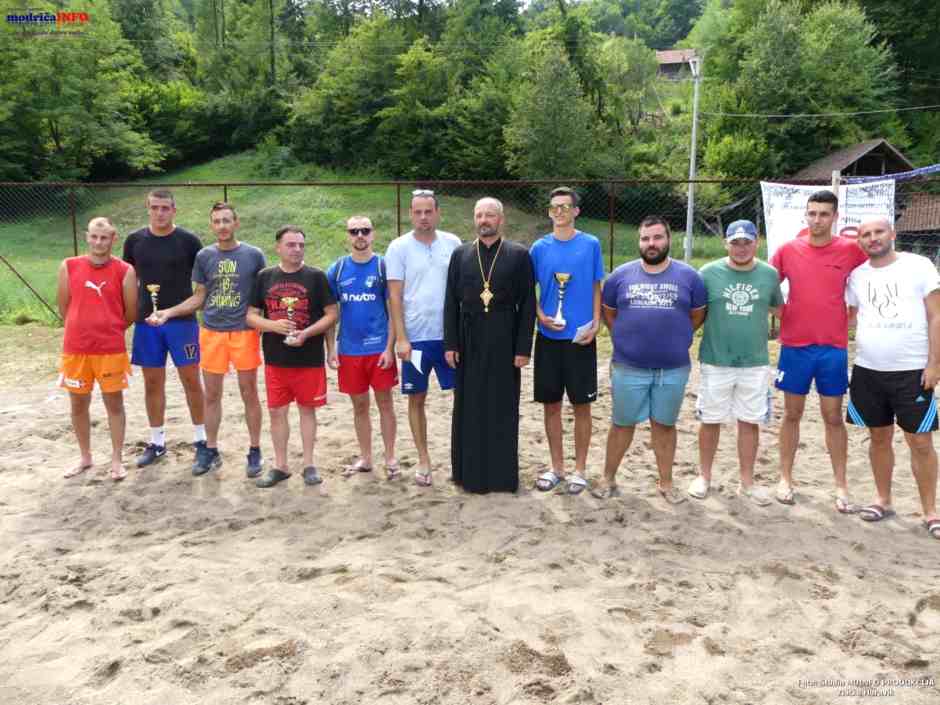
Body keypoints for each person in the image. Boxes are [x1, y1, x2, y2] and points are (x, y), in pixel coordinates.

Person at [149, 202, 267, 477]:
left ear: (236, 223)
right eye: (217, 221)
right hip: (212, 332)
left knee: (249, 392)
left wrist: (265, 323)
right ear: (212, 225)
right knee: (211, 394)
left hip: (243, 331)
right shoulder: (205, 256)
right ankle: (210, 449)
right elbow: (200, 297)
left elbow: (263, 294)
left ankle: (254, 450)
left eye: (227, 220)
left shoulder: (254, 255)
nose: (222, 226)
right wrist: (168, 312)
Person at [596, 216, 706, 503]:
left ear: (668, 239)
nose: (651, 243)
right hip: (628, 366)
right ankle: (608, 478)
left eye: (657, 237)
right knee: (622, 424)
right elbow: (609, 314)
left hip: (672, 368)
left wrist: (674, 336)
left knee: (664, 425)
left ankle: (666, 483)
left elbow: (697, 316)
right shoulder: (620, 276)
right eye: (645, 238)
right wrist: (628, 338)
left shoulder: (689, 277)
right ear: (639, 242)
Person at [771, 190, 867, 510]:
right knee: (791, 414)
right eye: (812, 213)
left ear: (835, 217)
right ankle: (785, 478)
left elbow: (872, 279)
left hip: (832, 348)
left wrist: (854, 314)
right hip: (795, 346)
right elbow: (766, 285)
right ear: (805, 215)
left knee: (833, 417)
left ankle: (841, 486)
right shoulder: (788, 250)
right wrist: (781, 312)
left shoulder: (850, 250)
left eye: (824, 214)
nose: (817, 220)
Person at [845, 216, 940, 540]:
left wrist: (934, 363)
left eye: (879, 232)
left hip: (912, 370)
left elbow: (936, 315)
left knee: (920, 441)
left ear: (892, 234)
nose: (873, 238)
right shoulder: (857, 276)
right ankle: (883, 500)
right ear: (859, 241)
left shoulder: (918, 265)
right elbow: (848, 317)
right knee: (879, 437)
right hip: (868, 369)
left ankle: (930, 511)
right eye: (866, 234)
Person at [444, 198, 536, 493]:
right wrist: (451, 343)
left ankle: (501, 476)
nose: (484, 220)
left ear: (501, 219)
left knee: (502, 406)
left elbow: (528, 304)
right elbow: (450, 301)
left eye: (490, 215)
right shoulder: (460, 254)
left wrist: (523, 348)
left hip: (505, 337)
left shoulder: (519, 255)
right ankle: (468, 474)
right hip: (468, 337)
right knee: (469, 406)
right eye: (479, 215)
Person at [687, 220, 783, 505]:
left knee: (750, 422)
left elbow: (778, 309)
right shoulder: (707, 273)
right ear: (725, 244)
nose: (741, 248)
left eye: (747, 242)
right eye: (735, 243)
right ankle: (704, 476)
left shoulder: (769, 274)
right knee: (710, 420)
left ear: (757, 243)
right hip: (716, 359)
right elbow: (694, 311)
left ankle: (747, 482)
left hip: (754, 361)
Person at [247, 226, 337, 488]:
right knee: (277, 412)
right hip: (276, 358)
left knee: (307, 410)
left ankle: (309, 465)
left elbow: (332, 314)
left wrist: (307, 333)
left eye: (301, 245)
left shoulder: (316, 277)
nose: (297, 249)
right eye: (291, 245)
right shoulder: (265, 277)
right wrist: (273, 326)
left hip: (309, 358)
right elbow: (251, 315)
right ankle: (280, 465)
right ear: (278, 247)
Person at [123, 189, 206, 468]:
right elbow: (129, 282)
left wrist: (178, 310)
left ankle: (202, 440)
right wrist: (129, 315)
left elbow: (202, 285)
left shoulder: (189, 241)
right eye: (155, 207)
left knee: (191, 380)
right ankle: (157, 442)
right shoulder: (134, 241)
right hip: (147, 323)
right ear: (147, 208)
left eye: (165, 208)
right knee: (152, 382)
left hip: (182, 322)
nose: (160, 213)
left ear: (174, 210)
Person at [529, 187, 604, 495]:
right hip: (548, 336)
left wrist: (596, 322)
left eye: (564, 206)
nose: (559, 212)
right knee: (551, 405)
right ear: (549, 212)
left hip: (580, 338)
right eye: (554, 207)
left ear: (576, 211)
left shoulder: (590, 244)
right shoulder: (539, 248)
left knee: (582, 405)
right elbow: (528, 289)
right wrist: (539, 315)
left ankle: (580, 470)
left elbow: (597, 285)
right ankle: (557, 467)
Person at [386, 189, 462, 487]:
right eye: (417, 212)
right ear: (410, 214)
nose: (423, 217)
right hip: (415, 340)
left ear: (437, 213)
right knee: (416, 397)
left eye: (428, 211)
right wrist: (401, 339)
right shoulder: (398, 248)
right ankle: (423, 459)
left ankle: (461, 457)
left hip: (449, 338)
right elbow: (394, 297)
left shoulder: (453, 243)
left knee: (461, 397)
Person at [57, 217, 137, 481]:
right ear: (87, 237)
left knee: (114, 403)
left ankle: (117, 459)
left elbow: (130, 312)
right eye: (94, 236)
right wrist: (81, 327)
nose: (99, 242)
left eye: (104, 237)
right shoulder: (69, 266)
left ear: (113, 239)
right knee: (78, 404)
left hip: (110, 349)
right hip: (76, 349)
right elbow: (64, 307)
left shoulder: (125, 270)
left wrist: (108, 329)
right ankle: (85, 456)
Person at [326, 215, 399, 479]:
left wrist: (389, 348)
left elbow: (393, 311)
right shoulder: (337, 269)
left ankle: (390, 457)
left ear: (373, 234)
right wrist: (330, 349)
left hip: (378, 349)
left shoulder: (383, 266)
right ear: (348, 235)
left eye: (365, 230)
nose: (360, 235)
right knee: (359, 406)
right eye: (354, 231)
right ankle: (366, 458)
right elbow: (330, 313)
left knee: (385, 403)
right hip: (349, 351)